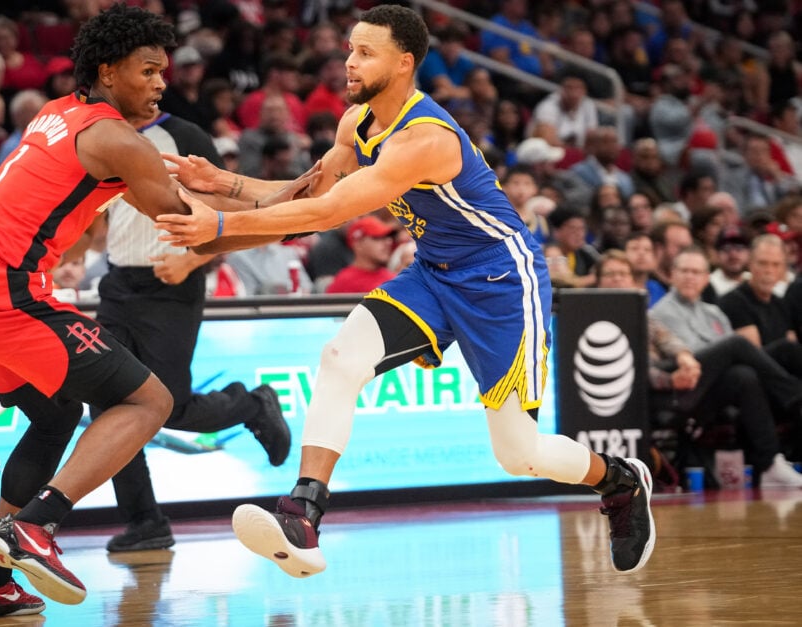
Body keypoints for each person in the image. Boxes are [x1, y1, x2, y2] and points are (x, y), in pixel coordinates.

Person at [159, 5, 655, 579]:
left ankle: (620, 480)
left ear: (404, 62)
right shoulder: (355, 123)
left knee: (520, 454)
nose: (349, 61)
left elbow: (325, 215)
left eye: (364, 53)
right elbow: (305, 195)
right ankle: (304, 512)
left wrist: (217, 227)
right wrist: (222, 184)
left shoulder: (425, 139)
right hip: (435, 271)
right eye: (349, 49)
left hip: (500, 279)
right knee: (340, 357)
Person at [0, 5, 193, 619]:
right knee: (149, 401)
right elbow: (193, 226)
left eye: (164, 72)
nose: (161, 83)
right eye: (148, 70)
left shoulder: (58, 112)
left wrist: (281, 198)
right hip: (4, 286)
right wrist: (290, 217)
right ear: (107, 71)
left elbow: (74, 194)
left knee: (54, 417)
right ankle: (36, 526)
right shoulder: (119, 140)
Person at [89, 103, 292, 553]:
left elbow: (232, 214)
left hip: (171, 285)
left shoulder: (185, 135)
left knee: (170, 407)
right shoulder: (102, 135)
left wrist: (193, 260)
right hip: (118, 284)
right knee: (106, 408)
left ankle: (251, 404)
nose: (155, 84)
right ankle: (145, 522)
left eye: (158, 73)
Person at [600, 249, 802, 487]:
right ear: (672, 275)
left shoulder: (648, 314)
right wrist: (672, 376)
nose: (617, 279)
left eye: (623, 274)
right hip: (658, 389)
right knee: (736, 345)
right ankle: (795, 398)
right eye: (610, 274)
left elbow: (669, 341)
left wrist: (685, 356)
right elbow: (638, 369)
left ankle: (769, 463)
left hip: (695, 381)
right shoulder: (651, 312)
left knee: (744, 374)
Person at [325, 215, 397, 294]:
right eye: (377, 238)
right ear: (358, 244)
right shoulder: (344, 283)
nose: (388, 243)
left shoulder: (393, 278)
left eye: (387, 238)